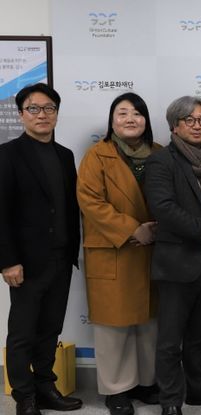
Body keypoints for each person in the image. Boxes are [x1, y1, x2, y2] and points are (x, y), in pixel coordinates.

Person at [145, 96, 201, 415]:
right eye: (189, 120)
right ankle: (171, 400)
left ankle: (199, 390)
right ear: (174, 126)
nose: (197, 126)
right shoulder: (161, 161)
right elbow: (163, 207)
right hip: (177, 262)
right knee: (170, 340)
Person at [76, 92, 162, 415]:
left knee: (149, 324)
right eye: (122, 113)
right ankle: (117, 390)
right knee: (114, 326)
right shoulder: (96, 156)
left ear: (146, 120)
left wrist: (158, 228)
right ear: (112, 121)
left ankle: (146, 382)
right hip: (115, 250)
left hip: (152, 250)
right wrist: (131, 229)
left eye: (137, 113)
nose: (130, 119)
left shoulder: (159, 153)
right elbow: (91, 202)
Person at [0, 83, 82, 415]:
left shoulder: (65, 155)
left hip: (61, 259)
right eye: (33, 108)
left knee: (50, 329)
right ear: (21, 114)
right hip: (26, 262)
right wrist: (8, 261)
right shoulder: (7, 154)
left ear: (57, 114)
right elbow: (1, 212)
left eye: (49, 108)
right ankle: (25, 396)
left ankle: (46, 387)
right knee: (22, 333)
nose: (42, 115)